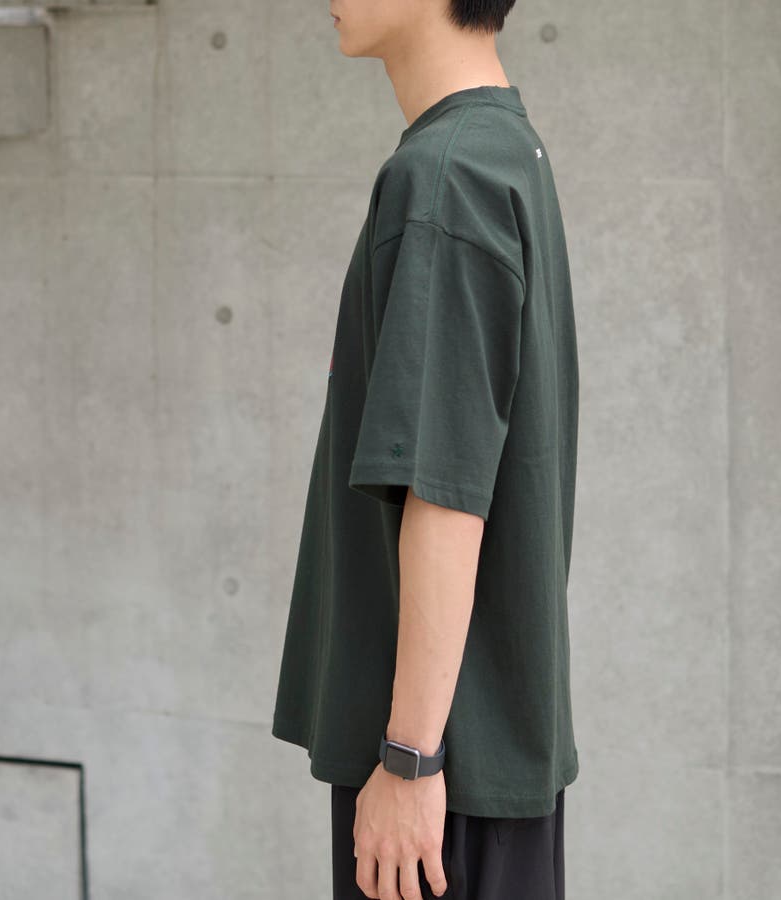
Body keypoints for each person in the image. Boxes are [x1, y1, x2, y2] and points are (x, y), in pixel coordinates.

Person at [270, 1, 580, 897]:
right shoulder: (503, 152)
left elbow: (446, 494)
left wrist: (408, 760)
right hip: (473, 764)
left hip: (436, 782)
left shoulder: (446, 177)